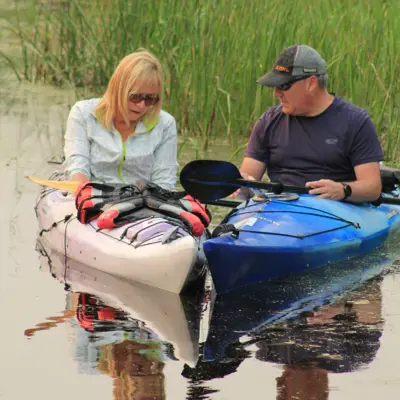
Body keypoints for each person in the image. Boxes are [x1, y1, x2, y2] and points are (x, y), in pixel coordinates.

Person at [237, 44, 383, 203]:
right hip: (279, 209)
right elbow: (247, 180)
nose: (276, 93)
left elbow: (372, 187)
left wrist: (343, 189)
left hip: (333, 211)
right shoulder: (268, 121)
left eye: (283, 86)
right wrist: (242, 183)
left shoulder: (356, 122)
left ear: (311, 83)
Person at [63, 49, 178, 191]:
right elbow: (78, 165)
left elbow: (164, 180)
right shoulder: (82, 113)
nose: (142, 105)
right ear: (118, 89)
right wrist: (83, 194)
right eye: (135, 97)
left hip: (142, 202)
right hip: (93, 196)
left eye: (150, 99)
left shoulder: (166, 124)